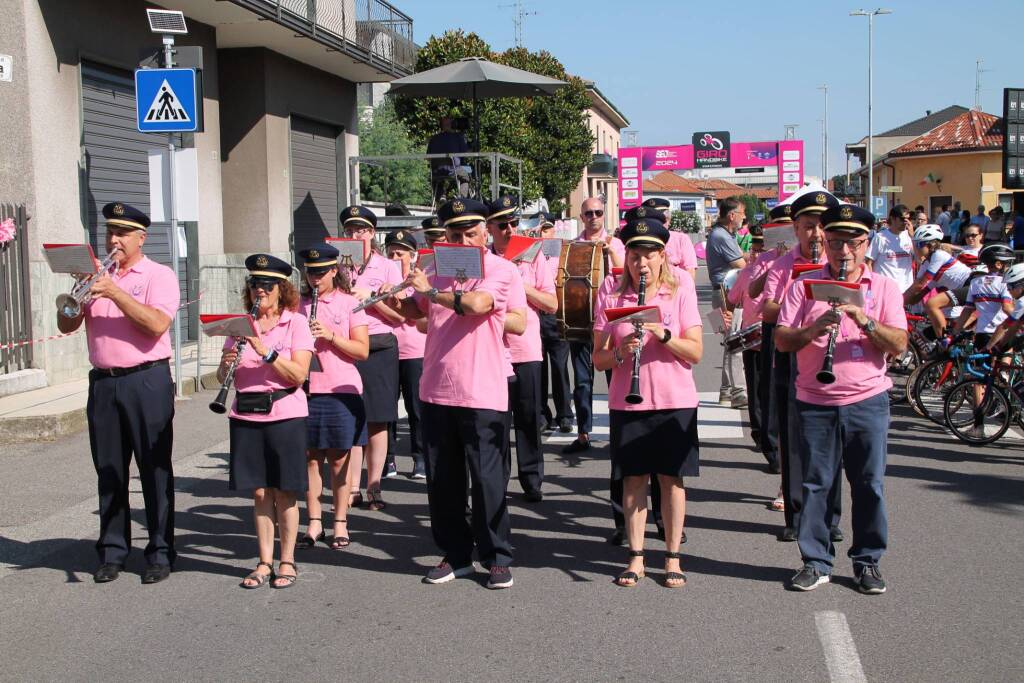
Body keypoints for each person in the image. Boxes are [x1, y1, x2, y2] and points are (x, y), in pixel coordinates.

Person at [392, 198, 526, 589]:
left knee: (487, 480)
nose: (463, 240)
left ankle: (497, 556)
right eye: (455, 234)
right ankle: (455, 554)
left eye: (471, 233)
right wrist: (398, 294)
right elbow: (414, 315)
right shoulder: (435, 269)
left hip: (482, 388)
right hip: (436, 386)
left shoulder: (499, 270)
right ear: (444, 237)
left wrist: (430, 292)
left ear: (485, 234)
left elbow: (477, 304)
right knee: (443, 480)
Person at [775, 204, 908, 594]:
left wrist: (864, 321)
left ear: (867, 244)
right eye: (835, 243)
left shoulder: (882, 288)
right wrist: (814, 328)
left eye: (852, 243)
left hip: (867, 400)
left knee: (869, 484)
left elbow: (898, 344)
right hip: (814, 400)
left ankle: (867, 562)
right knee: (816, 484)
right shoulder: (804, 286)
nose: (843, 251)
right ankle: (815, 562)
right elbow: (783, 340)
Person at [57, 202, 179, 585]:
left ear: (141, 238)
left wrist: (115, 293)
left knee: (154, 469)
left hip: (147, 380)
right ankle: (112, 551)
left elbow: (157, 324)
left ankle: (159, 552)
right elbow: (65, 326)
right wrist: (76, 295)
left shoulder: (158, 275)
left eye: (123, 233)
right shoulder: (98, 276)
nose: (114, 240)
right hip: (105, 382)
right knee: (109, 469)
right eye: (110, 232)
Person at [592, 214, 703, 588]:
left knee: (672, 480)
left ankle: (672, 556)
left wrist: (665, 334)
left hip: (675, 400)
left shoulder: (681, 286)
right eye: (635, 255)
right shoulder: (611, 292)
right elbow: (598, 358)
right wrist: (621, 351)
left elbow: (696, 352)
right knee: (634, 479)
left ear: (663, 256)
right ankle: (636, 557)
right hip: (629, 401)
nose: (642, 263)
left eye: (650, 254)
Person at [219, 254, 313, 589]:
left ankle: (287, 560)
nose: (259, 290)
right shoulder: (241, 324)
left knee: (284, 491)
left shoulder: (296, 323)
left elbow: (298, 374)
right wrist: (227, 360)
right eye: (254, 284)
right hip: (246, 413)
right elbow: (223, 375)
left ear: (281, 289)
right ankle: (263, 561)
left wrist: (265, 351)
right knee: (259, 492)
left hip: (284, 413)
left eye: (266, 285)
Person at [761, 189, 841, 544]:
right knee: (793, 437)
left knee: (832, 439)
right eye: (809, 227)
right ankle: (795, 513)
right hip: (791, 356)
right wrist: (800, 298)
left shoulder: (844, 262)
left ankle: (831, 517)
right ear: (796, 229)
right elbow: (767, 310)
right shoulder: (783, 265)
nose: (817, 235)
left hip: (833, 358)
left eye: (823, 226)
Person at [297, 244, 369, 551]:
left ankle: (340, 520)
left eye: (320, 273)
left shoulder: (349, 303)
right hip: (306, 389)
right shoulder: (296, 306)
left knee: (339, 460)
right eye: (310, 273)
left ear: (333, 271)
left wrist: (330, 336)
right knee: (311, 460)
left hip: (340, 390)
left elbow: (362, 351)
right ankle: (314, 522)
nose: (315, 279)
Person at [486, 197, 557, 501]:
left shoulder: (532, 255)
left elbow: (551, 304)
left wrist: (516, 280)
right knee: (496, 421)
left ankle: (531, 478)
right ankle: (497, 482)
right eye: (503, 225)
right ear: (489, 228)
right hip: (491, 350)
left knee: (529, 418)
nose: (510, 229)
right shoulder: (482, 257)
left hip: (526, 348)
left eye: (514, 224)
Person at [341, 205, 404, 511]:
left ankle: (374, 485)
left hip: (380, 344)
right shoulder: (338, 266)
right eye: (351, 231)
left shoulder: (388, 266)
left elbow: (400, 317)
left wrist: (372, 300)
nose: (356, 235)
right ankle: (351, 486)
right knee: (353, 418)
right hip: (348, 345)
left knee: (378, 420)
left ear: (372, 234)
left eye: (362, 230)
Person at [563, 197, 624, 455]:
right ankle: (583, 433)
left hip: (609, 322)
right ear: (582, 216)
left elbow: (625, 276)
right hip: (580, 319)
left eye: (598, 212)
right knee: (583, 383)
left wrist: (611, 253)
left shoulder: (617, 243)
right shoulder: (573, 246)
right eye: (589, 213)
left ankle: (619, 433)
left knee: (615, 380)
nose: (594, 217)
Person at [727, 225, 773, 459]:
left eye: (761, 249)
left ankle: (766, 432)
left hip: (772, 336)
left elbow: (731, 299)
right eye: (754, 249)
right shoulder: (746, 273)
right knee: (756, 388)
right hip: (753, 337)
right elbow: (732, 298)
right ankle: (759, 431)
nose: (756, 254)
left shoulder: (776, 269)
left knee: (765, 389)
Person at [385, 230, 428, 479]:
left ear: (412, 256)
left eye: (400, 253)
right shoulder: (381, 277)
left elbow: (421, 314)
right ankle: (388, 458)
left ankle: (419, 457)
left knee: (416, 408)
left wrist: (401, 300)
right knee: (386, 408)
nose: (394, 257)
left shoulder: (419, 279)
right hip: (388, 349)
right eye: (390, 252)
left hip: (414, 350)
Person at [705, 196, 748, 408]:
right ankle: (738, 392)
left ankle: (725, 392)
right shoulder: (722, 236)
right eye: (742, 214)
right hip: (726, 294)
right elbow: (741, 263)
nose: (744, 218)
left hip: (720, 293)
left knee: (729, 342)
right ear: (732, 216)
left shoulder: (721, 234)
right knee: (735, 342)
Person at [534, 212, 574, 434]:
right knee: (537, 368)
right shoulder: (528, 251)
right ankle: (541, 414)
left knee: (559, 367)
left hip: (555, 313)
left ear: (554, 230)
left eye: (546, 229)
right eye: (540, 229)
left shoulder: (562, 250)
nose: (543, 233)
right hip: (534, 312)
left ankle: (565, 414)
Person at [642, 197, 698, 279]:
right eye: (653, 221)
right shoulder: (640, 241)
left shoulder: (681, 239)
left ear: (669, 220)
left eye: (663, 220)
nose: (658, 224)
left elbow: (690, 272)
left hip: (676, 288)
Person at [865, 204, 915, 293]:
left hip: (906, 289)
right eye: (903, 219)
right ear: (892, 218)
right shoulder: (880, 237)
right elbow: (869, 263)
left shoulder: (910, 236)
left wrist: (913, 238)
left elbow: (919, 259)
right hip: (885, 290)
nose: (906, 222)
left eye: (909, 219)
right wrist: (871, 284)